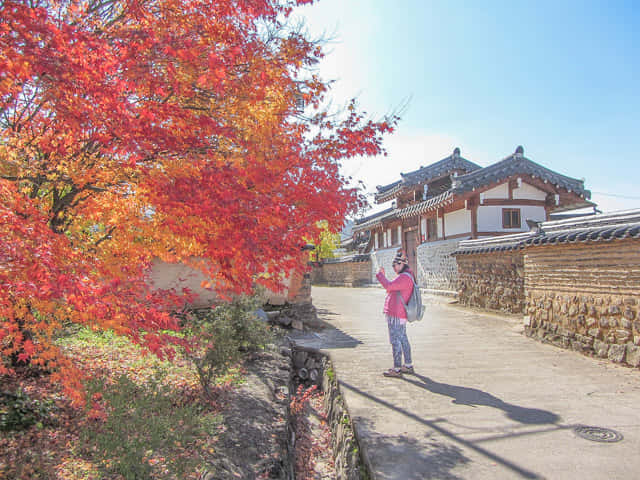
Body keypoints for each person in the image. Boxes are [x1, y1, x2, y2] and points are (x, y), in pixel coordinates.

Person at [375, 249, 415, 378]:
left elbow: (389, 286)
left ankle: (397, 368)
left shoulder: (404, 277)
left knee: (395, 340)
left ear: (402, 264)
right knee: (402, 338)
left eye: (395, 265)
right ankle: (407, 365)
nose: (394, 267)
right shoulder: (407, 276)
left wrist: (380, 275)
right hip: (399, 313)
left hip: (396, 314)